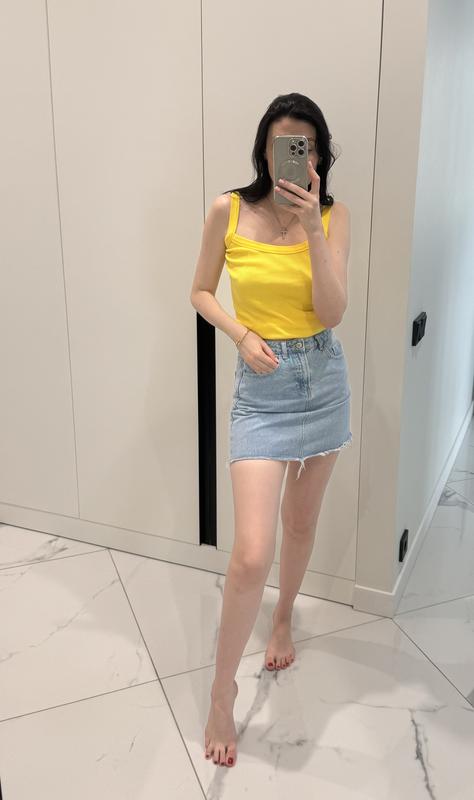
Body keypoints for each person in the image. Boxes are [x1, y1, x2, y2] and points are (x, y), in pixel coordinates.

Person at [189, 92, 352, 768]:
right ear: (264, 149)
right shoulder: (228, 209)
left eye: (305, 147)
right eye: (284, 144)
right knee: (251, 553)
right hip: (261, 391)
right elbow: (200, 290)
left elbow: (332, 312)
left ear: (319, 156)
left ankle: (283, 617)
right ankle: (222, 690)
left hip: (322, 378)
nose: (295, 157)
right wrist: (240, 331)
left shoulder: (333, 216)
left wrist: (312, 227)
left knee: (302, 524)